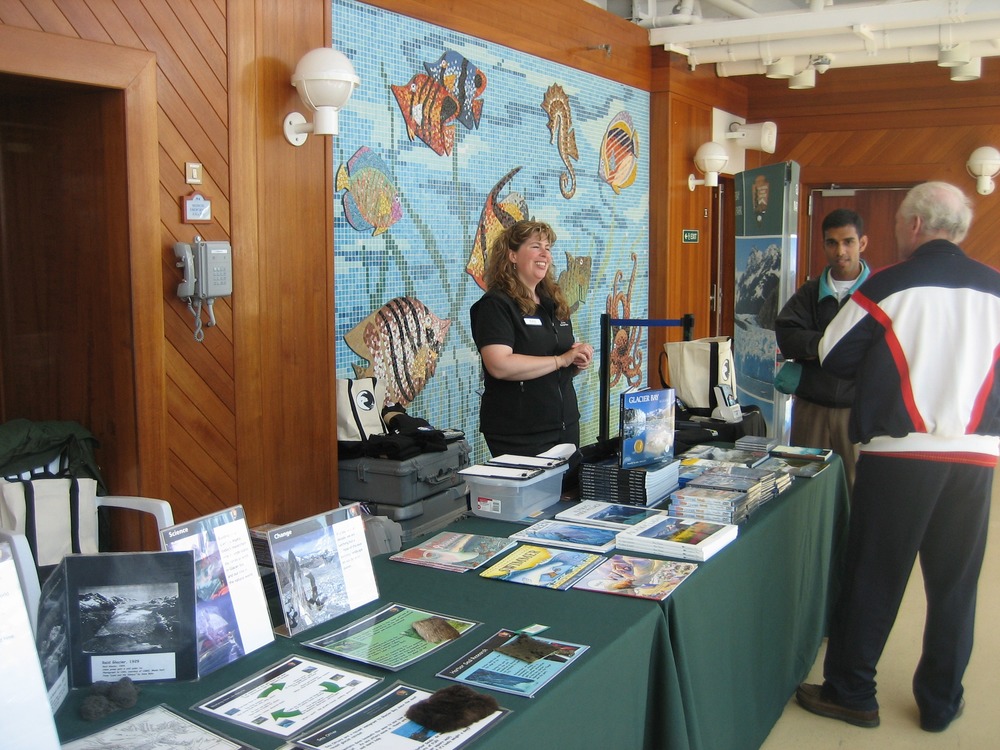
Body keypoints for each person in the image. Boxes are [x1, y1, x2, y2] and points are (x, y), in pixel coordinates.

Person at [795, 182, 1000, 732]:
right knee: (956, 584)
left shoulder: (888, 285)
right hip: (978, 457)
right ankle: (939, 703)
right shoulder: (997, 288)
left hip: (900, 453)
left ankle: (851, 692)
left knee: (874, 576)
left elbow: (833, 355)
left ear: (913, 225)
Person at [470, 220, 593, 462]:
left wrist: (575, 362)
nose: (545, 254)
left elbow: (552, 363)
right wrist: (560, 360)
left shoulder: (554, 302)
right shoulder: (495, 305)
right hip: (520, 433)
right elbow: (499, 365)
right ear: (512, 255)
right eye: (536, 246)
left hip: (565, 425)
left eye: (548, 248)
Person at [775, 208, 871, 492]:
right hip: (810, 409)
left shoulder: (878, 293)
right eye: (832, 242)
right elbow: (788, 337)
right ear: (824, 245)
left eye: (848, 242)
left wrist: (817, 345)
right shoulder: (809, 292)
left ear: (862, 243)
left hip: (857, 411)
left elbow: (884, 348)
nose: (840, 251)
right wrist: (837, 346)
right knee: (803, 486)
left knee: (855, 488)